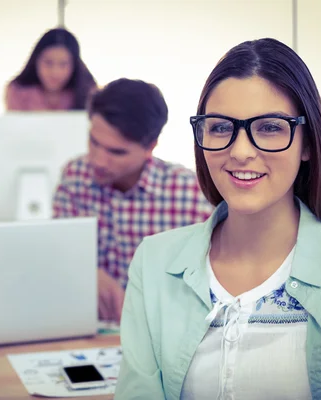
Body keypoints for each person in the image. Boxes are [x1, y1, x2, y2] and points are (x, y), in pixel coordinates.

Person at [115, 38, 321, 400]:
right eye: (221, 127)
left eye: (270, 127)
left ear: (307, 143)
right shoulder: (154, 261)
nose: (240, 152)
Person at [53, 78, 213, 323]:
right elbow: (56, 253)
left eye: (116, 152)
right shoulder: (74, 176)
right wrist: (85, 271)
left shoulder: (189, 192)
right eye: (94, 142)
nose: (98, 160)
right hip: (86, 330)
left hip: (163, 331)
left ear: (151, 146)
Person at [5, 28, 97, 111]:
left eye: (63, 64)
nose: (55, 72)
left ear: (74, 65)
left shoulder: (89, 92)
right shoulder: (18, 91)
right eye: (48, 62)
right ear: (36, 60)